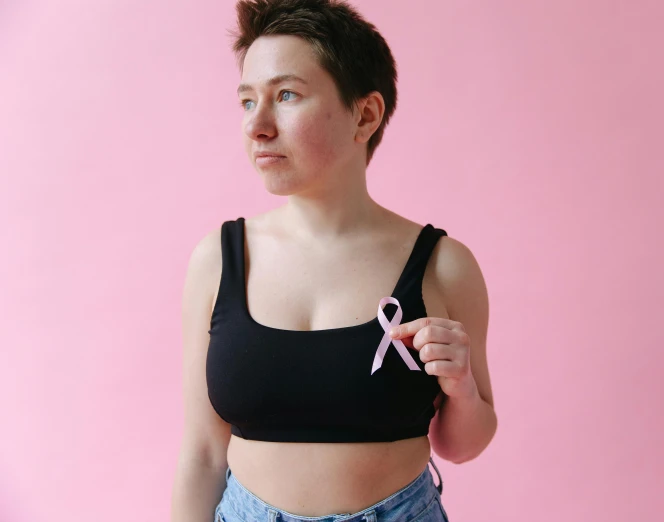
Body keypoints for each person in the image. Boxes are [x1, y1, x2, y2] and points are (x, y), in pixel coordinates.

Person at [170, 1, 497, 521]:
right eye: (247, 101)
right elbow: (203, 455)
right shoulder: (218, 261)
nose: (257, 126)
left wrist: (461, 388)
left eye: (286, 95)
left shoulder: (443, 267)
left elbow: (464, 444)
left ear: (364, 115)